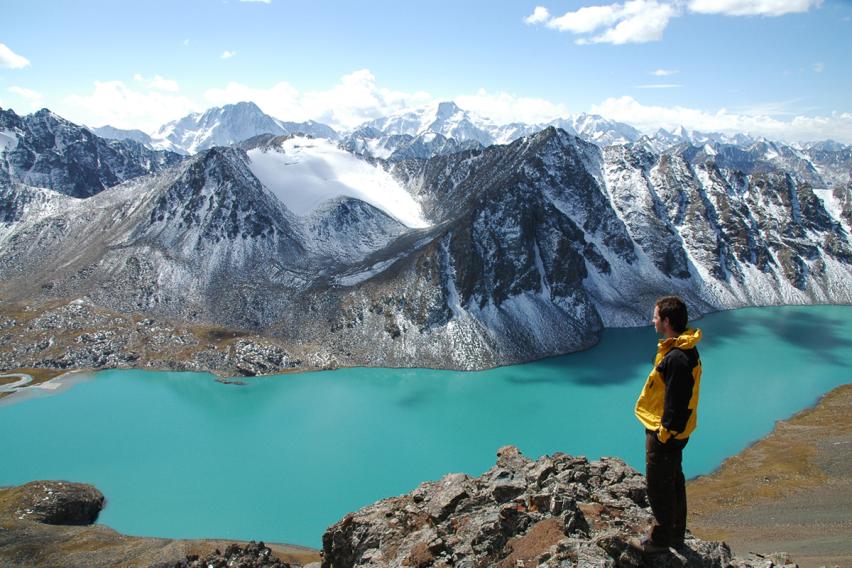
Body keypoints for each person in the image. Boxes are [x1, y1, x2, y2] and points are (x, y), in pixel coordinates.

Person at [632, 296, 702, 553]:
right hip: (675, 432)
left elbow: (676, 402)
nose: (653, 320)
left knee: (659, 485)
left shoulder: (677, 359)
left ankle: (660, 540)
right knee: (674, 480)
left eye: (656, 316)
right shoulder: (684, 349)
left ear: (667, 321)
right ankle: (675, 534)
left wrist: (664, 434)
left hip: (666, 434)